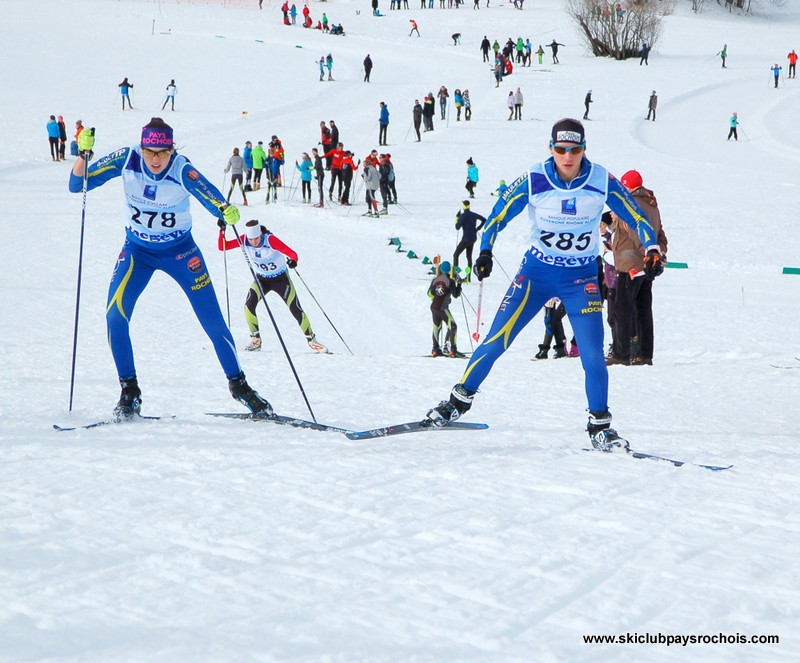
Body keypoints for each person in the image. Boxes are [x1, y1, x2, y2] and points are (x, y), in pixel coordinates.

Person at [424, 118, 662, 452]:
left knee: (593, 356)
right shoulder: (535, 178)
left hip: (581, 279)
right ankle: (457, 402)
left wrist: (651, 249)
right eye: (561, 149)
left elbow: (636, 215)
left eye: (575, 149)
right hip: (536, 275)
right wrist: (486, 251)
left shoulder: (600, 179)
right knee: (495, 341)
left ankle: (600, 426)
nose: (568, 156)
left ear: (583, 150)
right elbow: (496, 216)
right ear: (551, 149)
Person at [68, 117, 272, 418]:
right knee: (115, 317)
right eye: (150, 151)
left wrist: (226, 211)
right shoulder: (126, 159)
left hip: (181, 253)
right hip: (138, 252)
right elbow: (77, 185)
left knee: (213, 323)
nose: (155, 159)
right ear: (142, 147)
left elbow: (212, 197)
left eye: (162, 153)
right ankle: (130, 392)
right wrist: (83, 155)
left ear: (171, 151)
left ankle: (240, 386)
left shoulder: (181, 169)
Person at [218, 219, 328, 354]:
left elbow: (292, 253)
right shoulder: (244, 240)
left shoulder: (270, 240)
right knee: (248, 306)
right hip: (261, 280)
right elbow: (223, 246)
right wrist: (222, 230)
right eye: (251, 239)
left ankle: (312, 340)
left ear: (260, 234)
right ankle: (255, 340)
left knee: (295, 308)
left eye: (256, 238)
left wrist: (293, 261)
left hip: (281, 280)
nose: (253, 242)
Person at [606, 170, 668, 367]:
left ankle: (621, 354)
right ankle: (644, 354)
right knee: (643, 310)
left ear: (629, 187)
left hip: (630, 265)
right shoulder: (652, 205)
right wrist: (657, 255)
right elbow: (660, 234)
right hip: (646, 266)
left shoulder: (631, 205)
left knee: (621, 310)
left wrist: (645, 254)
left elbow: (636, 233)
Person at [428, 262, 465, 358]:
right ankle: (453, 350)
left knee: (437, 327)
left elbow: (430, 294)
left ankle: (435, 350)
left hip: (434, 307)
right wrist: (459, 285)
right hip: (442, 308)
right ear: (449, 270)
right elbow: (456, 294)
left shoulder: (435, 280)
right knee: (453, 326)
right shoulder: (450, 281)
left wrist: (436, 298)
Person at [453, 200, 486, 276]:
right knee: (469, 256)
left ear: (463, 206)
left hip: (465, 239)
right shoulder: (473, 214)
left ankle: (455, 274)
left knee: (456, 255)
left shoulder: (462, 216)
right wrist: (478, 228)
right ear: (469, 206)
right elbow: (484, 219)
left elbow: (457, 227)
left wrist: (457, 219)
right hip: (473, 238)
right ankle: (468, 276)